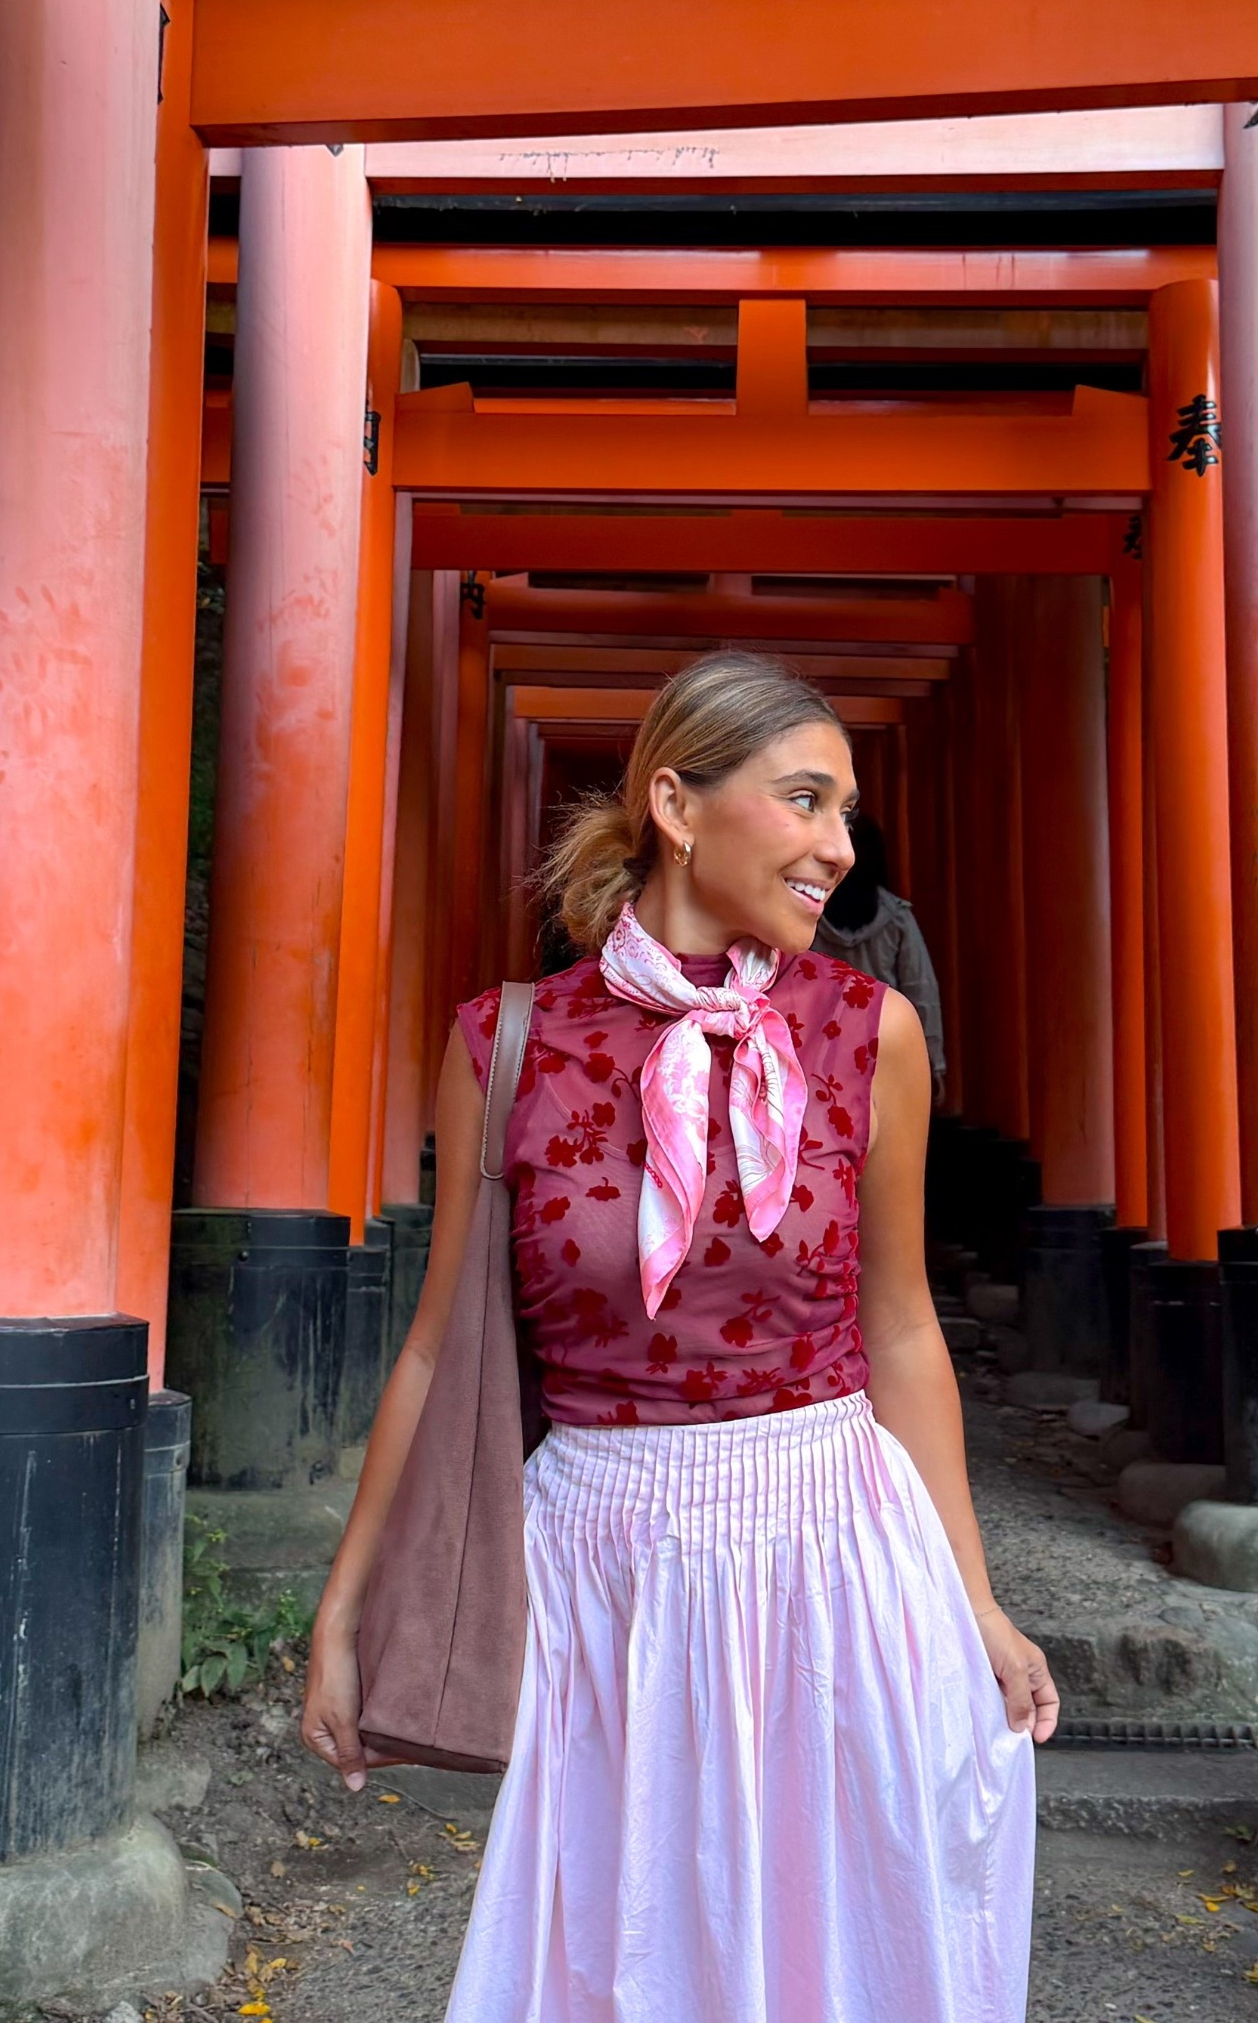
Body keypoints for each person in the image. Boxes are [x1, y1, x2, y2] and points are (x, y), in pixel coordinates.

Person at [300, 650, 1053, 2023]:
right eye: (806, 801)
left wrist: (978, 1599)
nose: (838, 847)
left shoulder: (868, 1032)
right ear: (677, 805)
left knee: (847, 1959)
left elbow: (900, 1328)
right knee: (610, 1964)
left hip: (833, 1549)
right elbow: (430, 1353)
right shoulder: (506, 1043)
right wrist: (346, 1608)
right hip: (600, 1566)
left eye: (844, 812)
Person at [816, 812, 949, 1102]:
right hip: (884, 1048)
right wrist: (933, 1062)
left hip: (820, 1050)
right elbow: (921, 990)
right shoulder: (897, 919)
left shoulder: (807, 915)